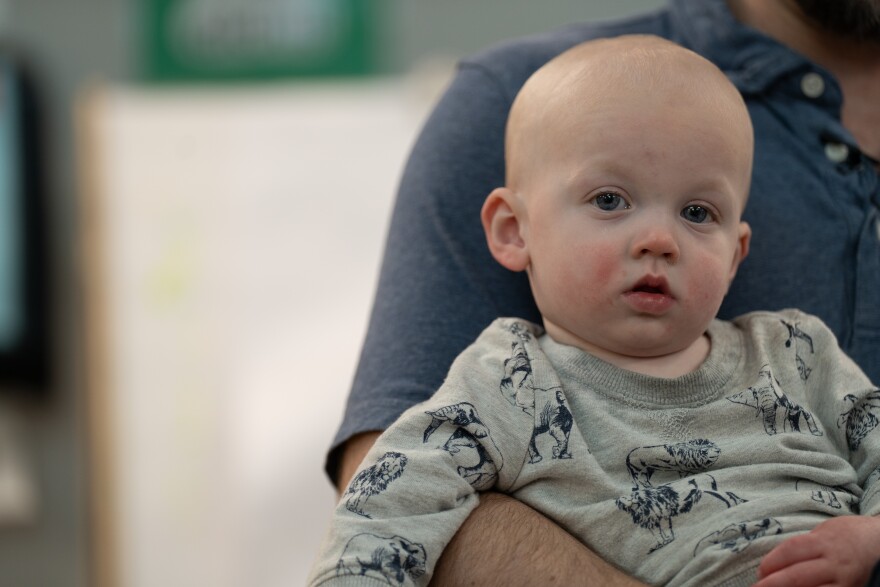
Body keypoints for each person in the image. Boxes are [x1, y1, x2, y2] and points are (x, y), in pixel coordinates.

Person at [328, 0, 880, 584]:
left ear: (736, 255)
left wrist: (870, 538)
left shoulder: (795, 351)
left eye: (698, 212)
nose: (660, 240)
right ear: (514, 231)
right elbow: (380, 514)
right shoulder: (508, 386)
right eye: (609, 200)